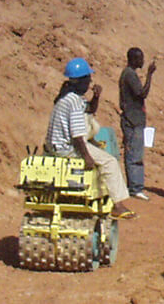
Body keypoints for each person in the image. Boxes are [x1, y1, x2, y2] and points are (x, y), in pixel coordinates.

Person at [47, 58, 134, 219]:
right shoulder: (73, 102)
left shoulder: (68, 98)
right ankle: (118, 205)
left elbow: (90, 110)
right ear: (80, 81)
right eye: (88, 79)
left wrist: (96, 97)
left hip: (56, 145)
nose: (89, 83)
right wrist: (87, 157)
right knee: (110, 162)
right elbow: (77, 136)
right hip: (68, 147)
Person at [117, 48, 156, 200]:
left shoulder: (128, 74)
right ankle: (135, 187)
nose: (142, 61)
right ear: (133, 59)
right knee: (135, 154)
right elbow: (142, 93)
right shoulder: (130, 75)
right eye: (140, 59)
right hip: (132, 120)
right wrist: (150, 75)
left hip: (134, 119)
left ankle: (134, 185)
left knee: (134, 152)